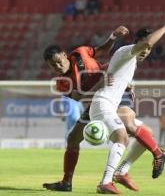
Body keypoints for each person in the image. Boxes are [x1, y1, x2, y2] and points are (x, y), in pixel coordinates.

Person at [42, 26, 156, 193]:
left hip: (114, 90)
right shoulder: (61, 82)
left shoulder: (81, 52)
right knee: (73, 138)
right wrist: (99, 84)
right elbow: (80, 98)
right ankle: (68, 182)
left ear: (65, 55)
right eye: (53, 65)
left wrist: (112, 37)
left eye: (59, 61)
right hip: (98, 100)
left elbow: (101, 50)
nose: (58, 66)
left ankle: (132, 166)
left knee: (130, 127)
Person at [89, 7, 165, 194]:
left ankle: (122, 171)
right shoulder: (126, 51)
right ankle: (105, 182)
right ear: (137, 43)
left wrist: (127, 86)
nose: (147, 50)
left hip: (110, 105)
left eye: (149, 49)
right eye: (145, 45)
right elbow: (142, 46)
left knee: (147, 134)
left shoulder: (131, 62)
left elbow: (113, 72)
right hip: (102, 104)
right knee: (123, 135)